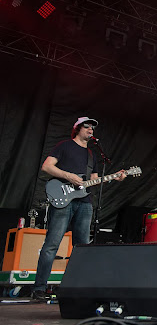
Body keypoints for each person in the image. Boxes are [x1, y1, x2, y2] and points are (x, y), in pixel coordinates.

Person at [32, 117, 126, 300]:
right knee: (52, 244)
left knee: (82, 247)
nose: (91, 130)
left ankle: (77, 288)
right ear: (77, 128)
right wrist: (69, 176)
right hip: (63, 198)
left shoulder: (92, 154)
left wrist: (114, 177)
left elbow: (94, 179)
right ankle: (39, 288)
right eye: (87, 126)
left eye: (93, 128)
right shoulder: (64, 146)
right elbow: (47, 166)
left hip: (84, 202)